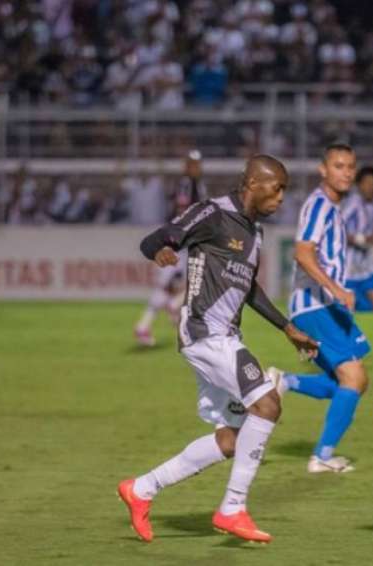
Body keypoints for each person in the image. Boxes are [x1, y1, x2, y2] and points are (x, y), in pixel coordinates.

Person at [118, 155, 318, 544]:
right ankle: (232, 509)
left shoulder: (255, 233)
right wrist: (162, 250)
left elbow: (248, 289)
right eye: (277, 188)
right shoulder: (212, 213)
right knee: (268, 404)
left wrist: (286, 327)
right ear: (253, 184)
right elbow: (156, 239)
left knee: (233, 437)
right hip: (205, 333)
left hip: (223, 336)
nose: (281, 197)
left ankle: (141, 489)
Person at [269, 143, 371, 473]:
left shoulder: (332, 207)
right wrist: (336, 288)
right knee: (353, 377)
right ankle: (322, 458)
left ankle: (284, 382)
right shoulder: (319, 206)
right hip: (315, 303)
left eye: (350, 167)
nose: (347, 172)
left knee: (352, 380)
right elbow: (302, 253)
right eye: (339, 166)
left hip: (327, 305)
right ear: (323, 170)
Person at [134, 150, 208, 346]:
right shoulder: (187, 183)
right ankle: (159, 316)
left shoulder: (194, 183)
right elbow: (182, 209)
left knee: (189, 282)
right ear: (187, 165)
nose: (196, 167)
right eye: (192, 163)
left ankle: (166, 312)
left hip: (183, 240)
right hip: (179, 241)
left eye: (197, 163)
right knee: (189, 281)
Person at [342, 165, 373, 311]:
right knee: (348, 308)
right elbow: (337, 229)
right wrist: (360, 240)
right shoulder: (352, 203)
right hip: (346, 269)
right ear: (359, 185)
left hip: (364, 267)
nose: (371, 187)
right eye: (367, 183)